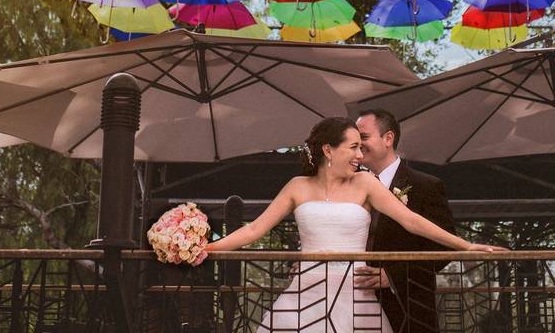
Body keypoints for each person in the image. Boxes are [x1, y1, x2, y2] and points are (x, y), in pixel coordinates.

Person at [207, 117, 505, 332]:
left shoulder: (365, 183)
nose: (360, 155)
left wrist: (467, 245)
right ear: (328, 150)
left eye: (361, 147)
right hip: (303, 297)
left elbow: (412, 221)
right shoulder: (296, 186)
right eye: (352, 147)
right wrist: (205, 248)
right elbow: (253, 230)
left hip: (356, 298)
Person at [355, 109, 461, 333]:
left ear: (388, 138)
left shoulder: (425, 186)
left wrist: (393, 275)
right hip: (350, 302)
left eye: (363, 137)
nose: (357, 144)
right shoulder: (349, 185)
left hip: (406, 305)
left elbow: (443, 246)